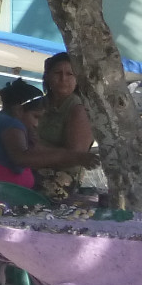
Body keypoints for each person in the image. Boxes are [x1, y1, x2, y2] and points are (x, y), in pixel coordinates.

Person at [26, 51, 98, 202]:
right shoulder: (37, 104)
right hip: (29, 164)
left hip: (61, 176)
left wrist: (39, 149)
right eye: (58, 73)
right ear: (47, 76)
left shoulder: (78, 109)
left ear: (77, 79)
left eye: (69, 74)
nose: (63, 79)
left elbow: (75, 156)